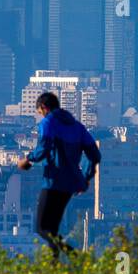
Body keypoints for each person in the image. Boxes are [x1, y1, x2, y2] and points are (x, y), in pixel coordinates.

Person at [17, 91, 101, 261]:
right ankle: (55, 267)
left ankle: (74, 254)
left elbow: (43, 149)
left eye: (39, 112)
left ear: (44, 108)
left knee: (41, 228)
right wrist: (85, 177)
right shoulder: (78, 127)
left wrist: (27, 160)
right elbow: (95, 154)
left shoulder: (48, 123)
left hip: (53, 181)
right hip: (70, 185)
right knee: (52, 229)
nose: (40, 116)